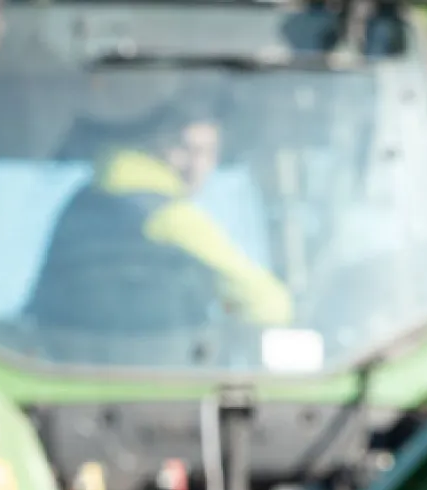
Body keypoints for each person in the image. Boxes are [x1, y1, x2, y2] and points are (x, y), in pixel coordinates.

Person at [28, 103, 293, 337]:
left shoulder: (88, 197)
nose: (195, 165)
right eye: (184, 148)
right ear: (154, 143)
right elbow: (266, 302)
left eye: (207, 152)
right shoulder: (166, 215)